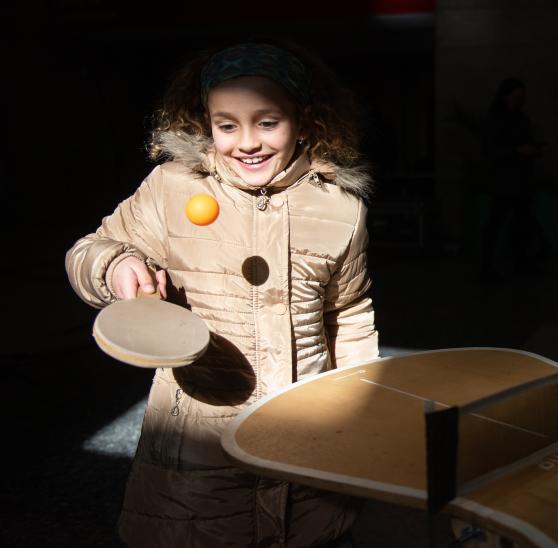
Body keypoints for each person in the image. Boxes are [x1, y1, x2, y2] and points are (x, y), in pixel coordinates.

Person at [65, 42, 379, 547]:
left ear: (304, 119)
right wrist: (116, 263)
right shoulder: (172, 188)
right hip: (201, 441)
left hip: (307, 433)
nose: (247, 142)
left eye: (267, 122)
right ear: (205, 121)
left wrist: (359, 409)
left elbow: (348, 311)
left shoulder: (340, 208)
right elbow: (91, 248)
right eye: (227, 125)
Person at [479, 77, 548, 282]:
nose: (520, 101)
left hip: (521, 180)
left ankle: (521, 262)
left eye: (522, 97)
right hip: (504, 181)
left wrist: (534, 150)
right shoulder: (496, 120)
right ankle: (488, 265)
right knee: (497, 221)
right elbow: (490, 151)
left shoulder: (520, 118)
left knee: (521, 223)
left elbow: (527, 141)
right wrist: (516, 151)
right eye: (516, 97)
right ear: (505, 96)